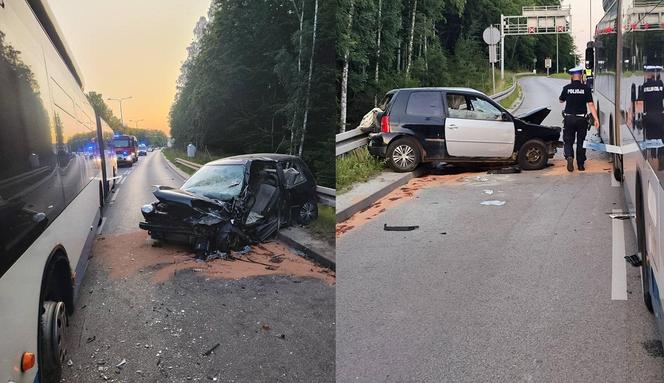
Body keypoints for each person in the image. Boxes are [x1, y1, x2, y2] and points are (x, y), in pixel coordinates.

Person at [559, 66, 600, 172]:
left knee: (568, 141)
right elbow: (591, 105)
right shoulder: (586, 89)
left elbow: (561, 100)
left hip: (569, 118)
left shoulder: (566, 88)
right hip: (582, 119)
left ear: (572, 76)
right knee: (581, 141)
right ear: (581, 76)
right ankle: (581, 165)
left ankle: (569, 156)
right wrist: (596, 119)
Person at [638, 65, 664, 169]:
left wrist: (638, 117)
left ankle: (652, 158)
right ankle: (661, 159)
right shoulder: (661, 85)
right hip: (660, 116)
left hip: (648, 117)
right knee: (661, 139)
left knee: (649, 138)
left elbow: (639, 103)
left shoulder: (644, 86)